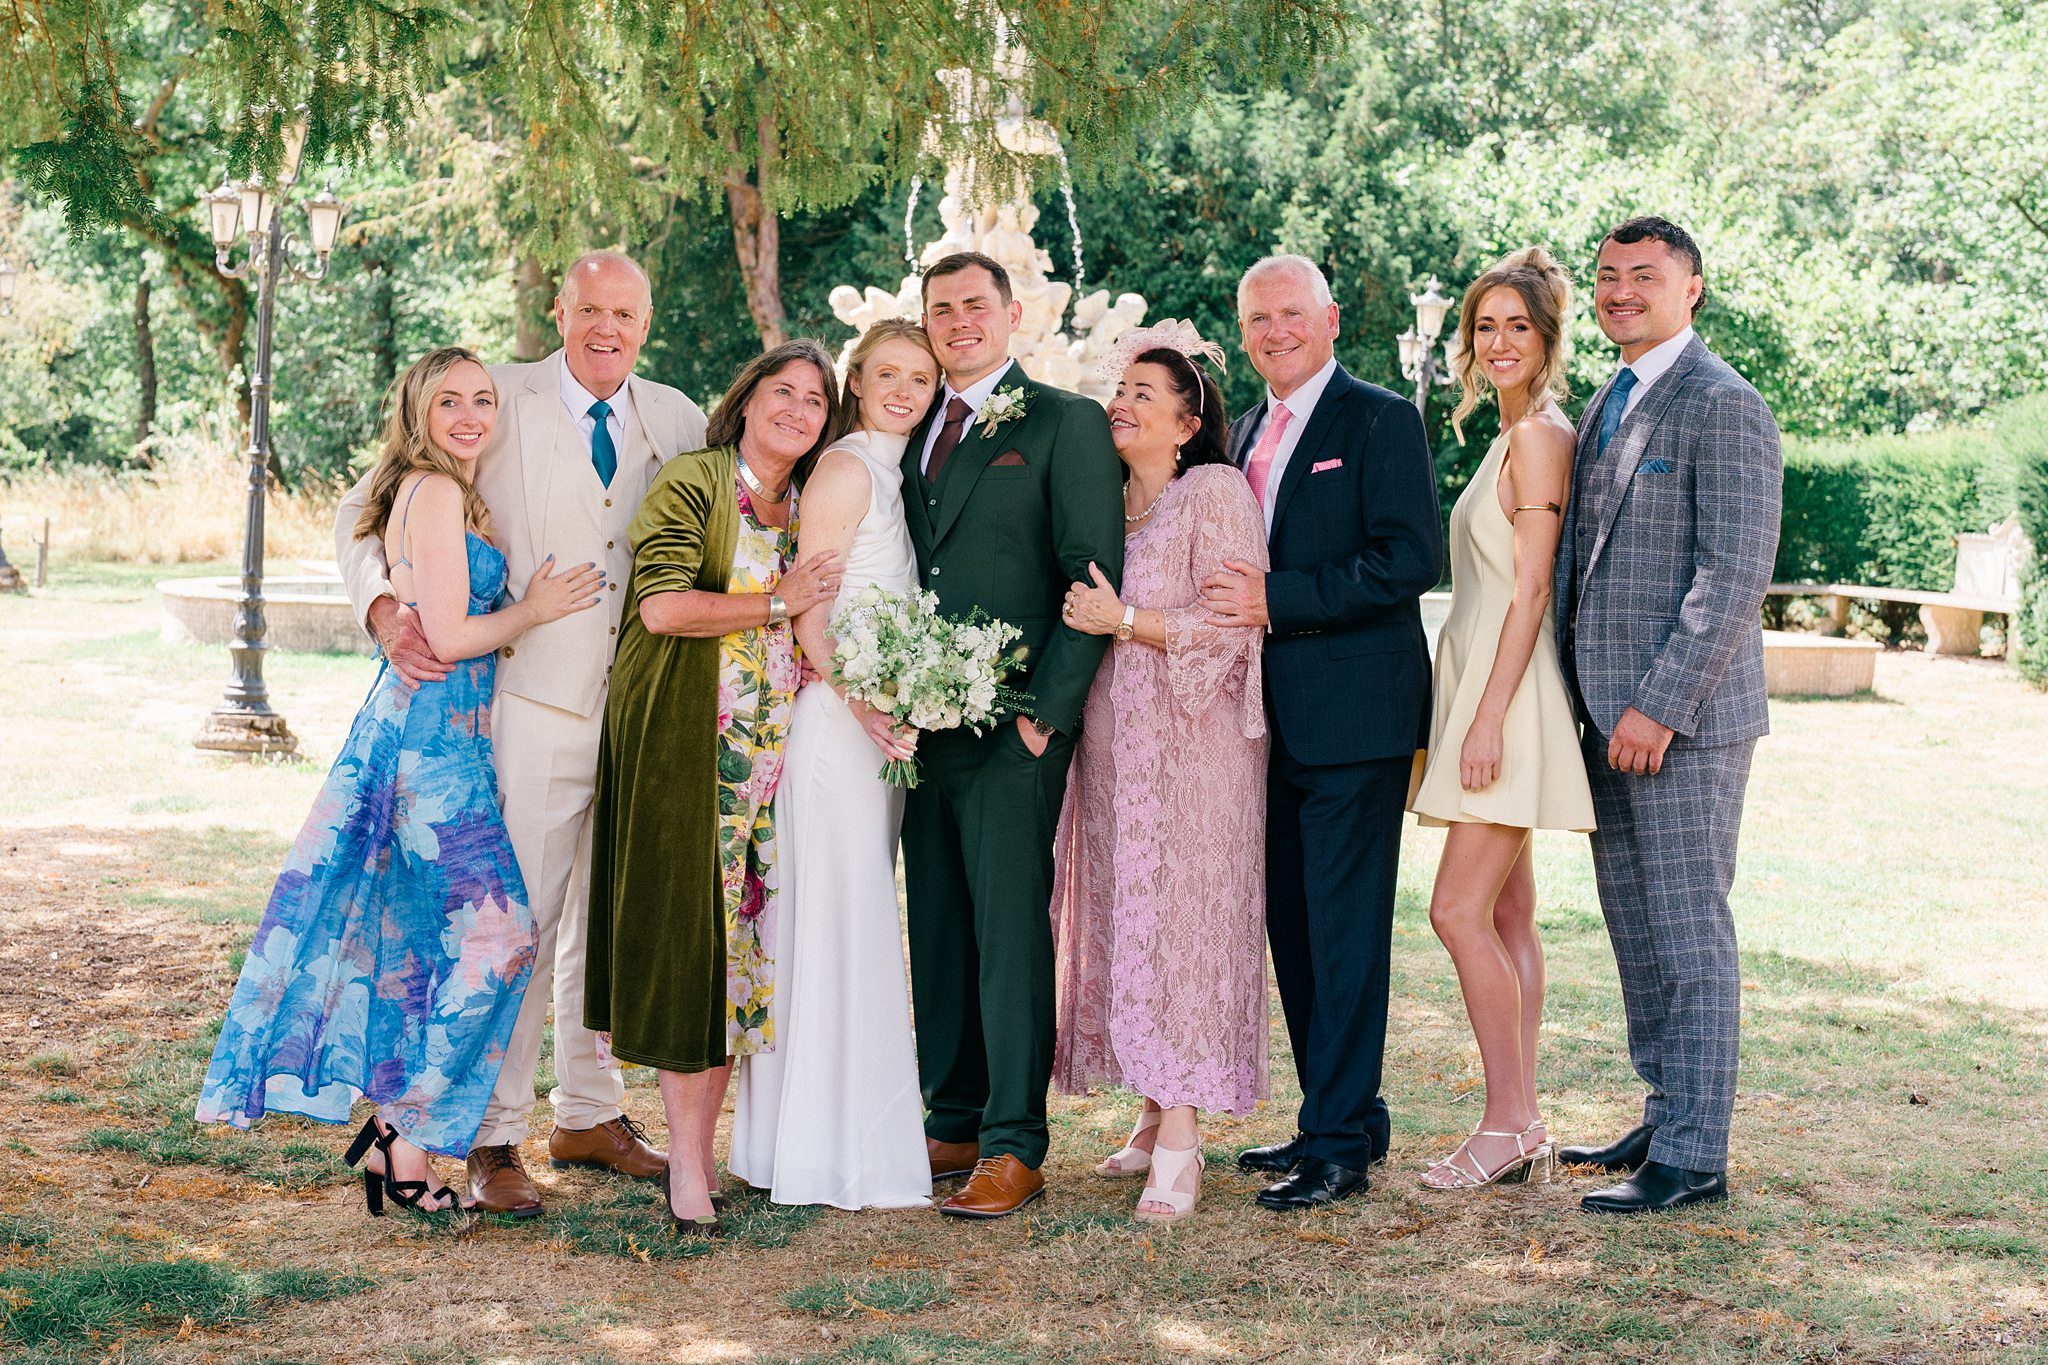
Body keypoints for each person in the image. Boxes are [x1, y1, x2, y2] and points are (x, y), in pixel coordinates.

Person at [334, 252, 707, 1217]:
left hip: (641, 711)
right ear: (560, 309)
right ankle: (493, 1135)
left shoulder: (674, 415)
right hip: (528, 707)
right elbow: (367, 502)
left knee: (607, 928)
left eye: (625, 312)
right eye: (590, 309)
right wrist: (381, 605)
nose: (606, 328)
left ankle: (590, 1111)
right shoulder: (495, 396)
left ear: (646, 320)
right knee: (521, 927)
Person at [198, 347, 602, 1216]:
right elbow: (451, 636)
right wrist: (536, 606)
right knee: (502, 938)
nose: (469, 415)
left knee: (428, 944)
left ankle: (401, 1142)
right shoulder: (438, 490)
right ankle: (402, 1137)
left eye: (483, 399)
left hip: (443, 735)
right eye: (449, 400)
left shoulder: (435, 489)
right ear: (416, 409)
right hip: (429, 745)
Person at [585, 340, 845, 1234]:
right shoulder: (697, 480)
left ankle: (704, 1153)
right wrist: (779, 599)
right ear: (747, 400)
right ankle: (686, 1167)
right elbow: (661, 608)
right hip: (690, 746)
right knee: (690, 956)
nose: (798, 411)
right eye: (783, 392)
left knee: (740, 965)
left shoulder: (812, 503)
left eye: (815, 400)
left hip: (777, 764)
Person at [1553, 217, 1782, 1214]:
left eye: (1642, 277)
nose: (1618, 293)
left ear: (1690, 288)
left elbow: (1730, 573)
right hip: (1603, 721)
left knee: (1688, 937)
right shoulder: (1609, 396)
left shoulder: (1722, 405)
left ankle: (1694, 1155)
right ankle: (1665, 1108)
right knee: (1636, 935)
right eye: (1605, 278)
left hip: (1678, 726)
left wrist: (1658, 706)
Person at [1206, 255, 1444, 1211]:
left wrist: (1279, 600)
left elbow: (1407, 559)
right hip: (1259, 726)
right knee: (1294, 930)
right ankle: (1334, 1114)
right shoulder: (1246, 429)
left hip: (1353, 719)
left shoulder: (1381, 419)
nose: (1275, 330)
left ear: (1331, 318)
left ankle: (1341, 1142)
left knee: (1344, 933)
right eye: (1258, 317)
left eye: (1291, 313)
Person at [899, 250, 1125, 1220]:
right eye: (940, 308)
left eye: (973, 306)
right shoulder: (908, 425)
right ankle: (950, 1116)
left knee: (1005, 936)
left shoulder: (1064, 423)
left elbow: (1090, 582)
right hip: (917, 729)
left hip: (1012, 733)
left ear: (1011, 313)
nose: (957, 322)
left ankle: (1012, 1143)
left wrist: (1045, 720)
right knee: (939, 929)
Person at [1050, 322, 1270, 1224]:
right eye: (1121, 389)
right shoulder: (1107, 502)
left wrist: (1125, 618)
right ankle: (1148, 1103)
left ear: (1188, 421)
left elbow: (1231, 629)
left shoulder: (1215, 490)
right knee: (1123, 916)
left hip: (1196, 752)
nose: (1123, 403)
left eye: (1145, 392)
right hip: (1112, 751)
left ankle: (1181, 1134)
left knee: (1181, 922)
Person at [728, 321, 938, 1210]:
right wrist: (860, 698)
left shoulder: (901, 470)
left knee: (851, 921)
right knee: (830, 925)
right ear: (857, 382)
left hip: (877, 727)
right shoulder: (847, 467)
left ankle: (827, 1140)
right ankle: (817, 1150)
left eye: (919, 376)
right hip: (838, 726)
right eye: (885, 372)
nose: (902, 388)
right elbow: (810, 611)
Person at [1408, 249, 1595, 1191]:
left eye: (1518, 325)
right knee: (1509, 910)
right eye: (1485, 326)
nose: (1498, 340)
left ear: (1548, 336)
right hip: (1484, 688)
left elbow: (1529, 592)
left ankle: (1508, 1121)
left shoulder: (1539, 438)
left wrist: (1485, 720)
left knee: (1454, 910)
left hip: (1507, 697)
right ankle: (1523, 1117)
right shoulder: (1509, 433)